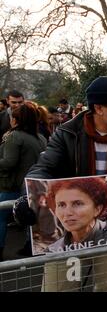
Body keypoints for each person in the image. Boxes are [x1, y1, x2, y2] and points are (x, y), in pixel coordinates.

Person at [14, 76, 107, 292]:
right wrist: (25, 198)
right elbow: (42, 168)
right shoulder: (66, 133)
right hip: (68, 231)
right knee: (60, 288)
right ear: (99, 109)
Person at [0, 103, 47, 261]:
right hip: (34, 184)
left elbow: (8, 162)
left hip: (13, 185)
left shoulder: (14, 136)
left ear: (16, 120)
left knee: (0, 216)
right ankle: (31, 246)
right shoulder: (40, 138)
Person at [46, 177, 107, 253]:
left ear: (97, 209)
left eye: (77, 203)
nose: (67, 213)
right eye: (61, 205)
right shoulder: (52, 250)